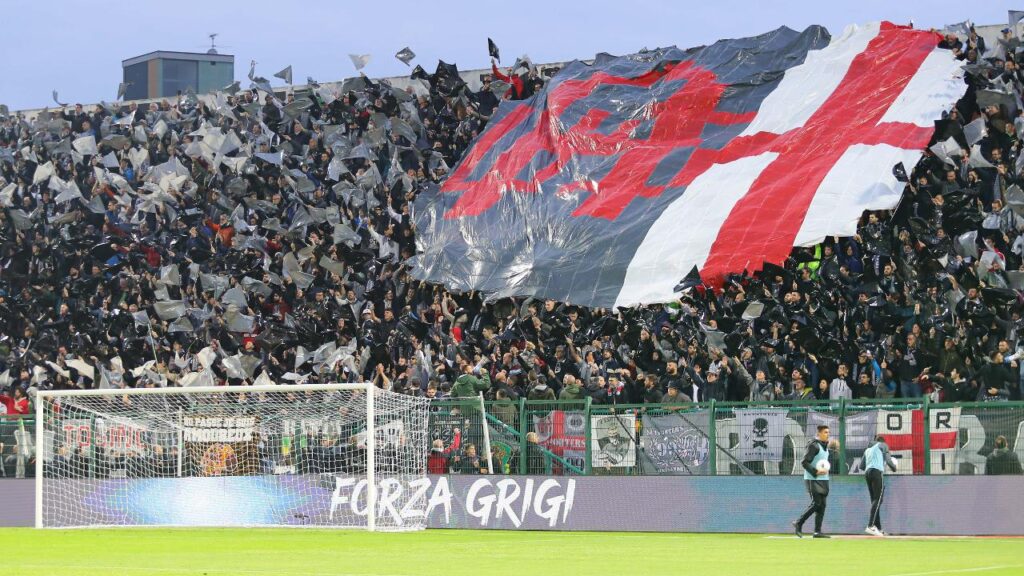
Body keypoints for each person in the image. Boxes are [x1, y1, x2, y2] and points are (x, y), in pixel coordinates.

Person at [793, 425, 836, 538]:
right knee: (816, 503)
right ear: (819, 434)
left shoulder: (825, 447)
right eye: (825, 432)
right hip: (812, 479)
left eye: (828, 432)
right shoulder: (814, 445)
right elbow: (804, 462)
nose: (828, 434)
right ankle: (798, 522)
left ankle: (817, 531)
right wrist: (815, 471)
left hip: (824, 479)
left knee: (822, 505)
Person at [863, 434, 898, 536]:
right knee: (878, 500)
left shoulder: (868, 449)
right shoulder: (883, 445)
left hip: (867, 473)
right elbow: (888, 460)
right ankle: (870, 526)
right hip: (877, 472)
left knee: (875, 501)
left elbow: (862, 465)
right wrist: (894, 467)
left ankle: (877, 528)